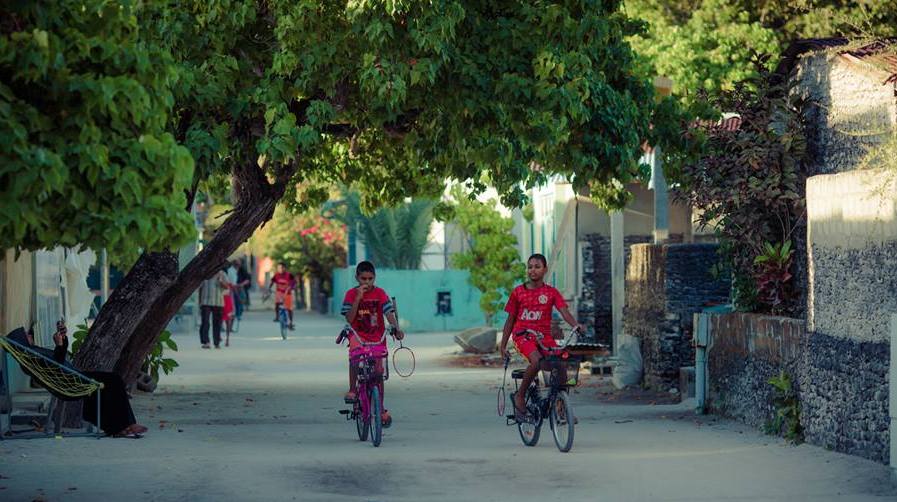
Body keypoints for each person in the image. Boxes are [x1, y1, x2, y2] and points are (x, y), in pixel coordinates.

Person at [7, 321, 148, 438]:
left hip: (71, 379)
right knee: (113, 380)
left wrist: (62, 339)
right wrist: (59, 345)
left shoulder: (31, 355)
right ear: (22, 341)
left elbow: (56, 362)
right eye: (26, 335)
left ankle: (118, 428)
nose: (30, 335)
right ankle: (127, 424)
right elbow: (57, 365)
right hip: (70, 382)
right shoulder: (32, 356)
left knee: (108, 383)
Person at [499, 254, 584, 422]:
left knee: (560, 364)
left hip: (544, 337)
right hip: (522, 336)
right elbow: (510, 321)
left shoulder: (551, 292)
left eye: (537, 266)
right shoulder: (518, 292)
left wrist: (576, 325)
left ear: (545, 270)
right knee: (537, 361)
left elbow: (564, 311)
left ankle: (560, 405)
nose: (533, 270)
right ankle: (520, 397)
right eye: (530, 266)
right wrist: (503, 345)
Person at [340, 261, 404, 427]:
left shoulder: (381, 293)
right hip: (358, 336)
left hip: (377, 337)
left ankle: (380, 407)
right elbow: (349, 318)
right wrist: (358, 299)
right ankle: (353, 389)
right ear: (357, 278)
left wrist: (396, 328)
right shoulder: (350, 294)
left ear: (374, 278)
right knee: (354, 358)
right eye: (363, 278)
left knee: (378, 373)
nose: (366, 282)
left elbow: (389, 313)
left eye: (370, 278)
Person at [199, 266, 229, 349]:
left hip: (218, 302)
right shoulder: (204, 273)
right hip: (205, 301)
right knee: (205, 322)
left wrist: (221, 281)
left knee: (217, 323)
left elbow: (227, 287)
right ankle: (206, 342)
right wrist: (199, 302)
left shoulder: (222, 274)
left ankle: (217, 342)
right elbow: (200, 288)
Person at [268, 262, 296, 330]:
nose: (280, 269)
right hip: (279, 293)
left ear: (284, 268)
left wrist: (292, 287)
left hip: (287, 293)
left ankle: (291, 322)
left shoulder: (289, 275)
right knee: (277, 304)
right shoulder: (276, 275)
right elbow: (272, 281)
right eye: (279, 268)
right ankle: (277, 317)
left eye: (281, 268)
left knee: (289, 309)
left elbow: (294, 282)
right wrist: (269, 288)